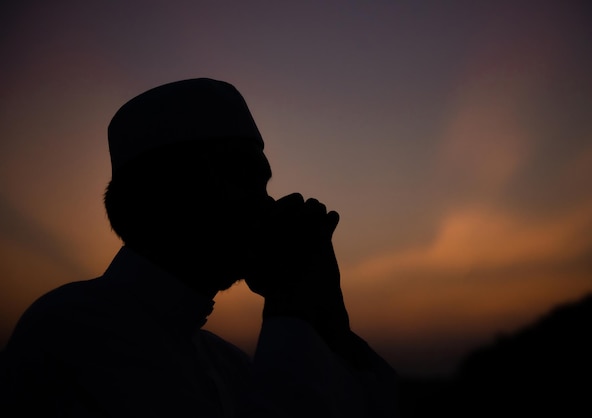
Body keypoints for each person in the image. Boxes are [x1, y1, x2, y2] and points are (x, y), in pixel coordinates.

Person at [0, 78, 398, 417]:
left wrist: (330, 323)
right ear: (166, 195)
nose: (267, 205)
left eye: (264, 187)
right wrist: (290, 303)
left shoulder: (225, 364)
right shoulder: (72, 332)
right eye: (246, 180)